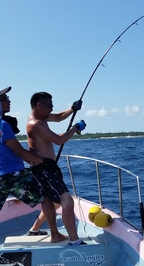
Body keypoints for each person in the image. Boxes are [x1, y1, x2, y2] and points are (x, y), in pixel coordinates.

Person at [0, 87, 67, 250]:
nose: (9, 101)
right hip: (14, 175)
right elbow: (20, 152)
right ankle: (55, 235)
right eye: (5, 98)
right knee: (46, 198)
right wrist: (43, 161)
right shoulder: (3, 125)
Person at [26, 91, 86, 246]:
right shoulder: (36, 124)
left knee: (53, 203)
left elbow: (59, 117)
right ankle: (75, 240)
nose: (52, 109)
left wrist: (72, 109)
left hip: (47, 169)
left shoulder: (41, 119)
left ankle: (35, 229)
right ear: (39, 105)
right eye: (49, 106)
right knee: (67, 202)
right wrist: (75, 128)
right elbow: (59, 141)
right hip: (44, 170)